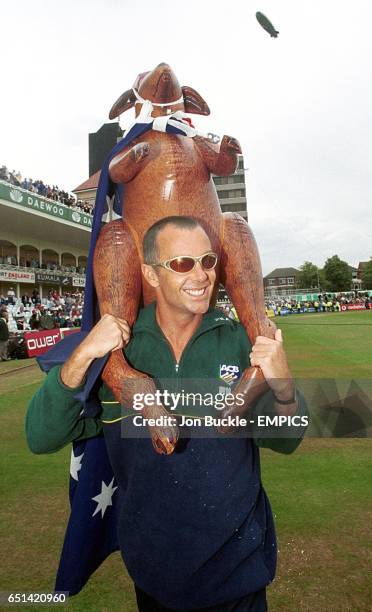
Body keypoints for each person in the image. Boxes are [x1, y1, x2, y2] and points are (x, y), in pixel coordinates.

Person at [26, 216, 307, 611]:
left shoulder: (242, 343)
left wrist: (284, 387)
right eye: (182, 264)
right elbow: (41, 437)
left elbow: (288, 438)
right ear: (150, 275)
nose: (202, 275)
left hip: (237, 580)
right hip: (153, 580)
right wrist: (84, 355)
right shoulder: (115, 354)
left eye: (208, 261)